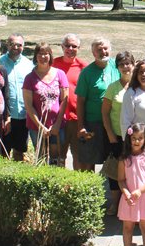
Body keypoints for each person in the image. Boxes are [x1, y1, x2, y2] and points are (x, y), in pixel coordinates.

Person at [0, 34, 33, 161]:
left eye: (19, 45)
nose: (15, 47)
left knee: (19, 153)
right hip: (4, 116)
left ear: (24, 46)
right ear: (7, 45)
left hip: (23, 116)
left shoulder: (29, 65)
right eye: (12, 44)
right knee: (3, 153)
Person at [75, 38, 120, 172]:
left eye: (105, 48)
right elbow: (80, 102)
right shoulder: (86, 73)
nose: (103, 52)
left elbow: (137, 65)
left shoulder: (117, 66)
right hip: (93, 124)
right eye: (99, 50)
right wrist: (81, 126)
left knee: (116, 161)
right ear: (93, 53)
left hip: (114, 123)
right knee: (89, 162)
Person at [23, 43, 69, 162]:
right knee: (41, 158)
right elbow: (28, 105)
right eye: (40, 54)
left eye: (46, 54)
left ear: (50, 55)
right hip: (36, 126)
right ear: (35, 56)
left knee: (56, 158)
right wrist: (40, 126)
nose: (43, 57)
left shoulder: (60, 74)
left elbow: (64, 100)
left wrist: (57, 123)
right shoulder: (29, 78)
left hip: (57, 125)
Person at [102, 51, 135, 216]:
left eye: (128, 63)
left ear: (133, 64)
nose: (125, 67)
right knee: (116, 171)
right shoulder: (113, 87)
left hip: (136, 138)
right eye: (121, 64)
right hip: (117, 136)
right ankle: (115, 204)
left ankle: (133, 203)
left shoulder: (139, 85)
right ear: (118, 67)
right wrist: (110, 133)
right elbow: (105, 113)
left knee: (134, 170)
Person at [54, 33, 88, 170]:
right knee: (58, 156)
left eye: (74, 46)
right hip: (58, 120)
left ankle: (75, 186)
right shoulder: (54, 64)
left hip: (77, 119)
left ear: (78, 48)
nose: (70, 48)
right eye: (67, 45)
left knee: (78, 156)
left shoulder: (84, 67)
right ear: (62, 47)